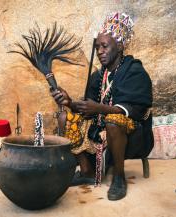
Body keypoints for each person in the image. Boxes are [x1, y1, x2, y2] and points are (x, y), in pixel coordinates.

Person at [52, 12, 153, 201]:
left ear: (120, 46)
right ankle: (87, 171)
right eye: (97, 47)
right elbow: (88, 108)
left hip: (131, 133)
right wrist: (70, 102)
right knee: (65, 117)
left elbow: (137, 110)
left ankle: (119, 177)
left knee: (113, 121)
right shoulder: (99, 76)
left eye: (104, 46)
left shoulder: (134, 71)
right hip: (99, 126)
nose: (99, 51)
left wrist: (100, 109)